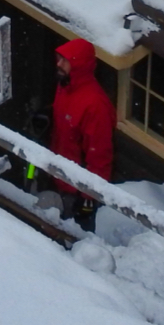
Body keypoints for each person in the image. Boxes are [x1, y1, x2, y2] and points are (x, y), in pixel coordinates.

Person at [50, 37, 116, 229]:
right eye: (58, 58)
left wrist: (89, 198)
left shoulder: (95, 105)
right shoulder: (64, 86)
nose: (59, 63)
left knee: (76, 238)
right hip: (57, 175)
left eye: (65, 60)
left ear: (78, 64)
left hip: (76, 190)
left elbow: (100, 157)